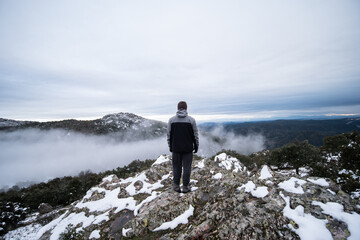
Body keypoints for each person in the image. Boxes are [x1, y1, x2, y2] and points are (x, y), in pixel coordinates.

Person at [167, 101, 199, 193]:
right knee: (187, 168)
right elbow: (195, 135)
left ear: (178, 108)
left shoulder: (171, 120)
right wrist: (196, 146)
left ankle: (176, 186)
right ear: (186, 108)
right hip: (188, 149)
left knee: (176, 167)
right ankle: (185, 187)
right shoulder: (191, 120)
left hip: (176, 149)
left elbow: (169, 135)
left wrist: (170, 147)